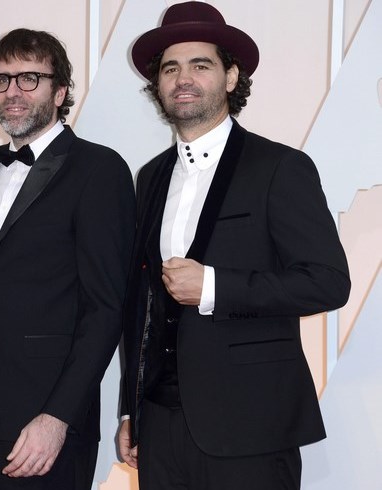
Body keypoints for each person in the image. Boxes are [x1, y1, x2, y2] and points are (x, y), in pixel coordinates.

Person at [119, 3, 351, 489]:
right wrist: (131, 411)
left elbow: (327, 283)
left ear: (230, 77)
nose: (184, 78)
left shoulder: (280, 168)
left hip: (252, 425)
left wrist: (214, 287)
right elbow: (140, 306)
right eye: (170, 68)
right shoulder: (151, 177)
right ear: (157, 85)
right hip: (161, 427)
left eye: (200, 65)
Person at [0, 28, 136, 489]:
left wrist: (57, 418)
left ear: (61, 91)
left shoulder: (99, 169)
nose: (12, 91)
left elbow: (106, 307)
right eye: (1, 79)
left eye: (29, 78)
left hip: (48, 420)